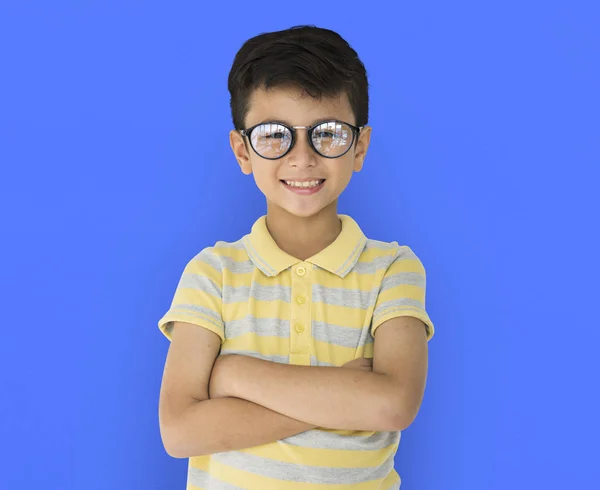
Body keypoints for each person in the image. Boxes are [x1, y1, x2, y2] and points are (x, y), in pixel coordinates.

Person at [157, 24, 435, 490]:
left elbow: (391, 406)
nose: (302, 158)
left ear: (360, 146)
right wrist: (342, 398)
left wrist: (235, 375)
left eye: (327, 134)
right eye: (273, 135)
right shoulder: (212, 273)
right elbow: (181, 431)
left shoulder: (393, 269)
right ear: (242, 150)